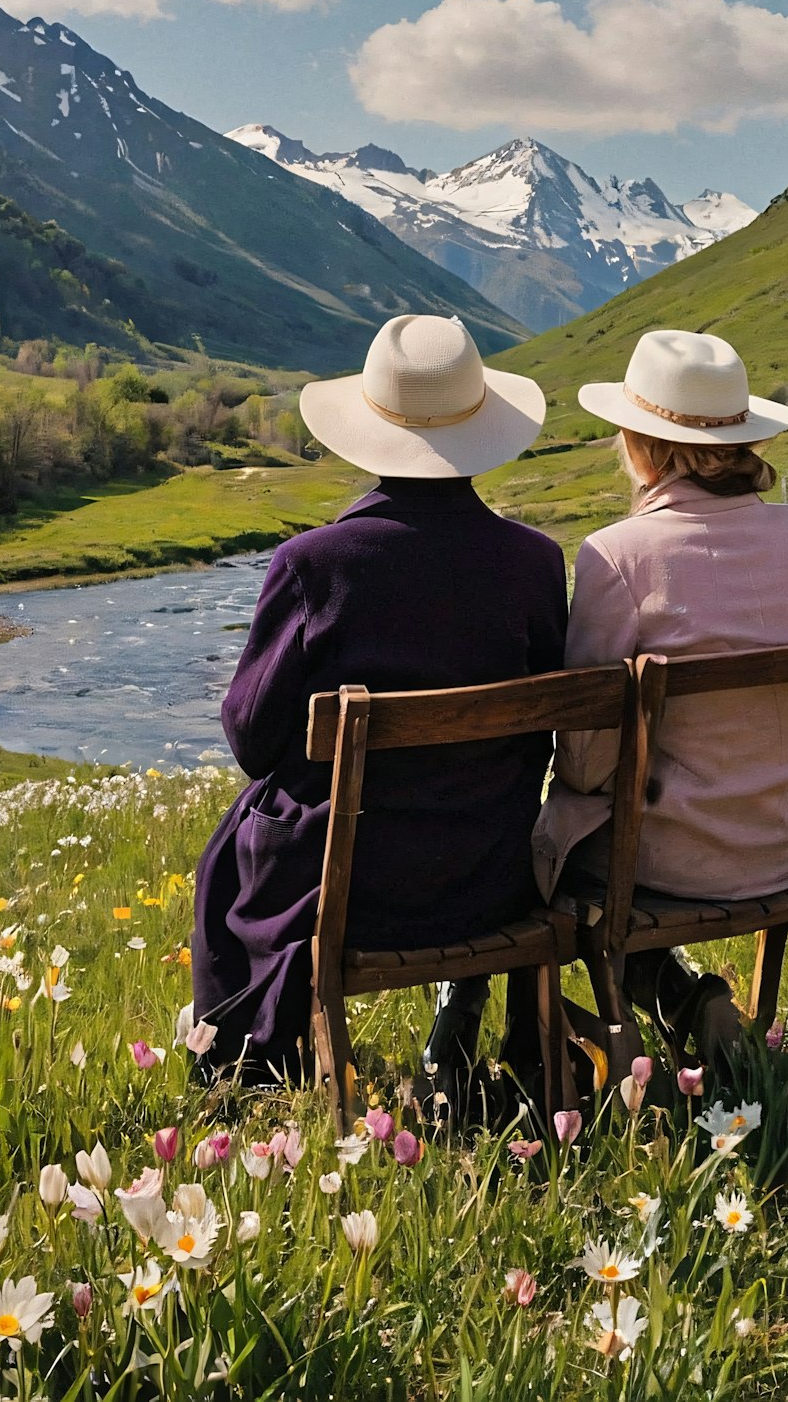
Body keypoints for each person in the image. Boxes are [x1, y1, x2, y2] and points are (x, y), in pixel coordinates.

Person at [192, 313, 567, 1088]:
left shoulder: (314, 565)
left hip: (348, 886)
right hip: (491, 873)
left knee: (237, 841)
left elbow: (251, 740)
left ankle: (244, 1060)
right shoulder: (534, 563)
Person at [532, 328, 788, 1066]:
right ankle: (684, 1001)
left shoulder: (617, 555)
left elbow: (586, 753)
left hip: (665, 861)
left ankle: (592, 1045)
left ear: (645, 448)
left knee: (545, 861)